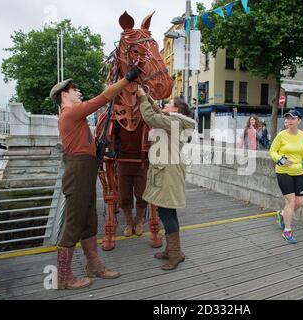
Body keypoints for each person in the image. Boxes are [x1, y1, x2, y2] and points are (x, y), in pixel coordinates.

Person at [49, 68, 140, 289]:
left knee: (89, 221)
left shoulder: (74, 115)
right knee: (74, 224)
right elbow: (104, 98)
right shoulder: (70, 113)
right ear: (64, 95)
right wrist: (126, 79)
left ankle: (94, 266)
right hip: (79, 170)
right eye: (74, 89)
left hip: (86, 169)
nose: (78, 91)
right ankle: (63, 277)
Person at [137, 87, 196, 270]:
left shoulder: (173, 122)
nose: (166, 104)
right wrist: (147, 97)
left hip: (168, 172)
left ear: (176, 110)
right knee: (168, 211)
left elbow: (151, 117)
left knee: (165, 212)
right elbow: (157, 111)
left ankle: (175, 254)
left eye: (170, 104)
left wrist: (141, 99)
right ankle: (171, 249)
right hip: (168, 170)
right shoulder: (175, 120)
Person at [269, 109, 303, 245]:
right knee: (291, 201)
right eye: (287, 118)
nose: (289, 121)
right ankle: (287, 231)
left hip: (298, 172)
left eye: (292, 118)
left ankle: (283, 214)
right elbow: (272, 151)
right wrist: (281, 160)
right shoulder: (281, 135)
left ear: (299, 121)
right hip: (283, 171)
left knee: (300, 202)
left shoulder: (302, 135)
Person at [116, 121, 148, 237]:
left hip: (142, 161)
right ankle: (129, 223)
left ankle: (139, 221)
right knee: (124, 196)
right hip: (122, 160)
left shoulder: (145, 116)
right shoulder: (117, 118)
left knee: (142, 194)